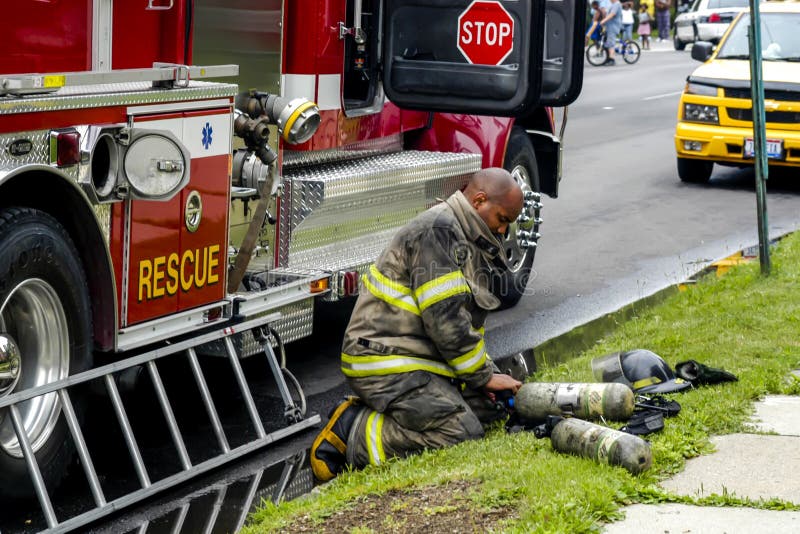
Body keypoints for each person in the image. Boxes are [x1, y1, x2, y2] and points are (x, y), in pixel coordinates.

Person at [310, 168, 525, 482]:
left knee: (488, 411)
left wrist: (487, 376)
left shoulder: (467, 238)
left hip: (418, 360)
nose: (503, 231)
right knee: (460, 432)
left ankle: (388, 414)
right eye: (503, 219)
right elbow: (446, 321)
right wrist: (483, 376)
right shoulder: (439, 231)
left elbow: (467, 329)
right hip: (383, 359)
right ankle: (353, 430)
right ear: (479, 201)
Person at [599, 0, 623, 65]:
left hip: (613, 26)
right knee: (607, 42)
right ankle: (608, 59)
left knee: (611, 43)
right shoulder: (612, 4)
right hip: (609, 26)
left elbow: (612, 14)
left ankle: (612, 60)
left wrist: (603, 21)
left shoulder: (617, 4)